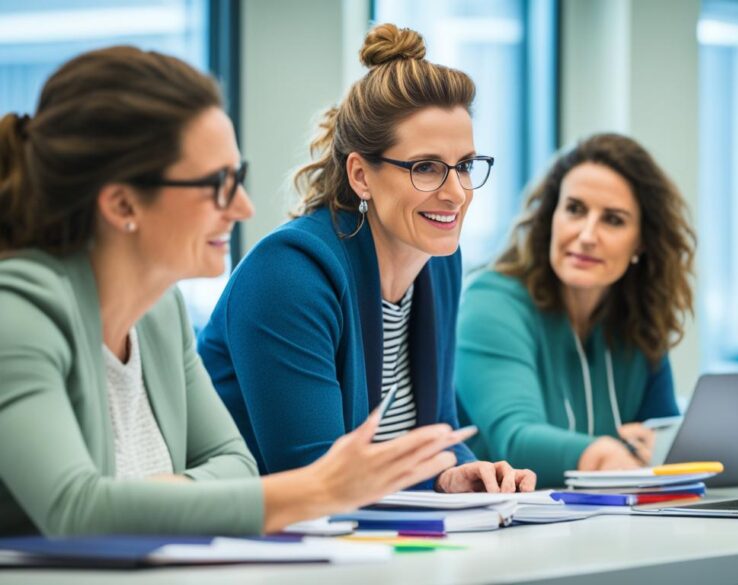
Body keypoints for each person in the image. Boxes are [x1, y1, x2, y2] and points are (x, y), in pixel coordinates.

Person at [0, 46, 467, 537]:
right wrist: (312, 490)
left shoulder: (160, 313)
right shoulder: (16, 317)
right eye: (217, 184)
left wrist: (145, 496)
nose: (243, 207)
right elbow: (78, 511)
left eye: (237, 178)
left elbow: (236, 467)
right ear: (122, 204)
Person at [197, 24, 535, 493]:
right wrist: (434, 485)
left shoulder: (438, 261)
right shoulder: (288, 274)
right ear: (361, 175)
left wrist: (458, 473)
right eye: (427, 168)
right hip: (260, 548)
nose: (456, 193)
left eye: (464, 166)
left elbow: (436, 428)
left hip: (373, 543)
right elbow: (318, 480)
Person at [455, 133, 697, 488]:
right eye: (575, 209)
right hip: (505, 528)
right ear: (550, 216)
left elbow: (661, 434)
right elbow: (515, 439)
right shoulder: (491, 301)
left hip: (607, 525)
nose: (586, 235)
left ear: (642, 241)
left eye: (613, 220)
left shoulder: (639, 314)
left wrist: (659, 447)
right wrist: (606, 454)